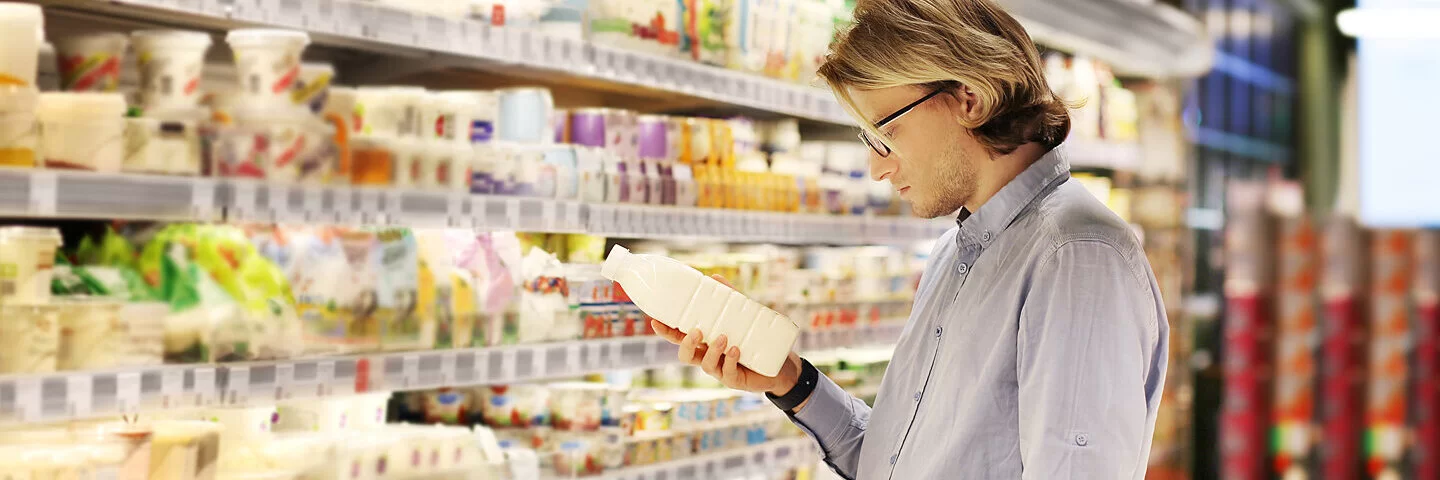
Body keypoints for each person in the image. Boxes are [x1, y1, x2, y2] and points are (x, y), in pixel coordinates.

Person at [649, 0, 1169, 478]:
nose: (876, 166)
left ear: (970, 98)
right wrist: (791, 382)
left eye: (886, 132)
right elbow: (894, 464)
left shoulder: (1076, 257)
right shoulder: (957, 255)